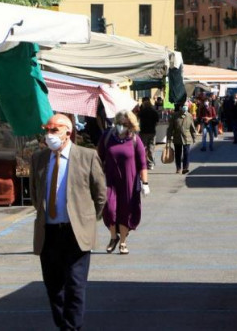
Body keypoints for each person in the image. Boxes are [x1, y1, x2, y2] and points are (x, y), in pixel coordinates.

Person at [31, 114, 107, 330]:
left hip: (76, 232)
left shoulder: (87, 156)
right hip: (49, 232)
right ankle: (63, 325)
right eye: (47, 130)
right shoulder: (38, 158)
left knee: (75, 285)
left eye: (54, 130)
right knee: (54, 287)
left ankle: (72, 327)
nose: (49, 135)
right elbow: (37, 195)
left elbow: (100, 194)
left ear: (68, 132)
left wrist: (89, 220)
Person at [97, 110, 149, 255]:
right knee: (110, 209)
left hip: (129, 182)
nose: (121, 126)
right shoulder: (107, 137)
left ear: (131, 125)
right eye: (119, 123)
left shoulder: (135, 140)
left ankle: (123, 242)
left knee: (125, 212)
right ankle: (113, 237)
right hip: (110, 180)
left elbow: (143, 163)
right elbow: (97, 158)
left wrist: (145, 183)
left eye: (125, 124)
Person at [167, 104, 196, 174]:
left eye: (185, 106)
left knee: (186, 153)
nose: (184, 107)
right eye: (183, 106)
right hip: (177, 137)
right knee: (178, 153)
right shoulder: (175, 115)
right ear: (180, 107)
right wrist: (169, 138)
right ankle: (178, 168)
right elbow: (170, 128)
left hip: (187, 137)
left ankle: (185, 168)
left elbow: (192, 128)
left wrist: (194, 137)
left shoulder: (189, 116)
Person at [138, 97, 160, 170]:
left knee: (143, 148)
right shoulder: (154, 111)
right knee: (151, 148)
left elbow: (138, 119)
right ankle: (150, 164)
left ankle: (143, 162)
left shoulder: (142, 112)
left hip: (143, 132)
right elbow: (157, 121)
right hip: (152, 132)